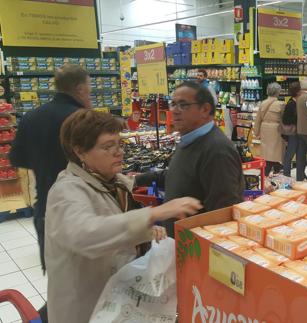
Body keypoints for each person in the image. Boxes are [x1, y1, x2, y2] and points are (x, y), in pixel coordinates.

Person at [45, 109, 202, 323]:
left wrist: (145, 233)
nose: (118, 152)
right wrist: (155, 212)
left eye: (119, 144)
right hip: (86, 310)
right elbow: (85, 235)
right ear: (79, 151)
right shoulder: (67, 191)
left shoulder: (112, 182)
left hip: (118, 302)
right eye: (108, 147)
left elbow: (116, 224)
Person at [9, 64, 91, 321]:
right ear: (79, 89)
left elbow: (17, 158)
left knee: (60, 281)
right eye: (89, 89)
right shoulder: (82, 119)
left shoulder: (31, 117)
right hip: (82, 211)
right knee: (87, 284)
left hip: (45, 209)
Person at [136, 82, 244, 237]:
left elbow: (224, 213)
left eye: (183, 105)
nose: (175, 111)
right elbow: (181, 176)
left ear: (205, 109)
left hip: (194, 249)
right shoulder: (188, 139)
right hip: (178, 244)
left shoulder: (217, 150)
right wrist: (138, 179)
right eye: (173, 104)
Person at [254, 83, 286, 175]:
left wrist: (256, 132)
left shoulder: (263, 103)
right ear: (278, 92)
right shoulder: (281, 104)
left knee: (267, 151)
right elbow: (284, 120)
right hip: (276, 130)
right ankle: (276, 169)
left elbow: (258, 119)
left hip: (264, 129)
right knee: (276, 152)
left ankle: (267, 170)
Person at [282, 81, 300, 177]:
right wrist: (298, 118)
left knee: (299, 153)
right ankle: (286, 174)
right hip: (292, 133)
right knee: (290, 154)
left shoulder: (297, 102)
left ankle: (300, 174)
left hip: (298, 132)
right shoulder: (291, 104)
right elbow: (286, 120)